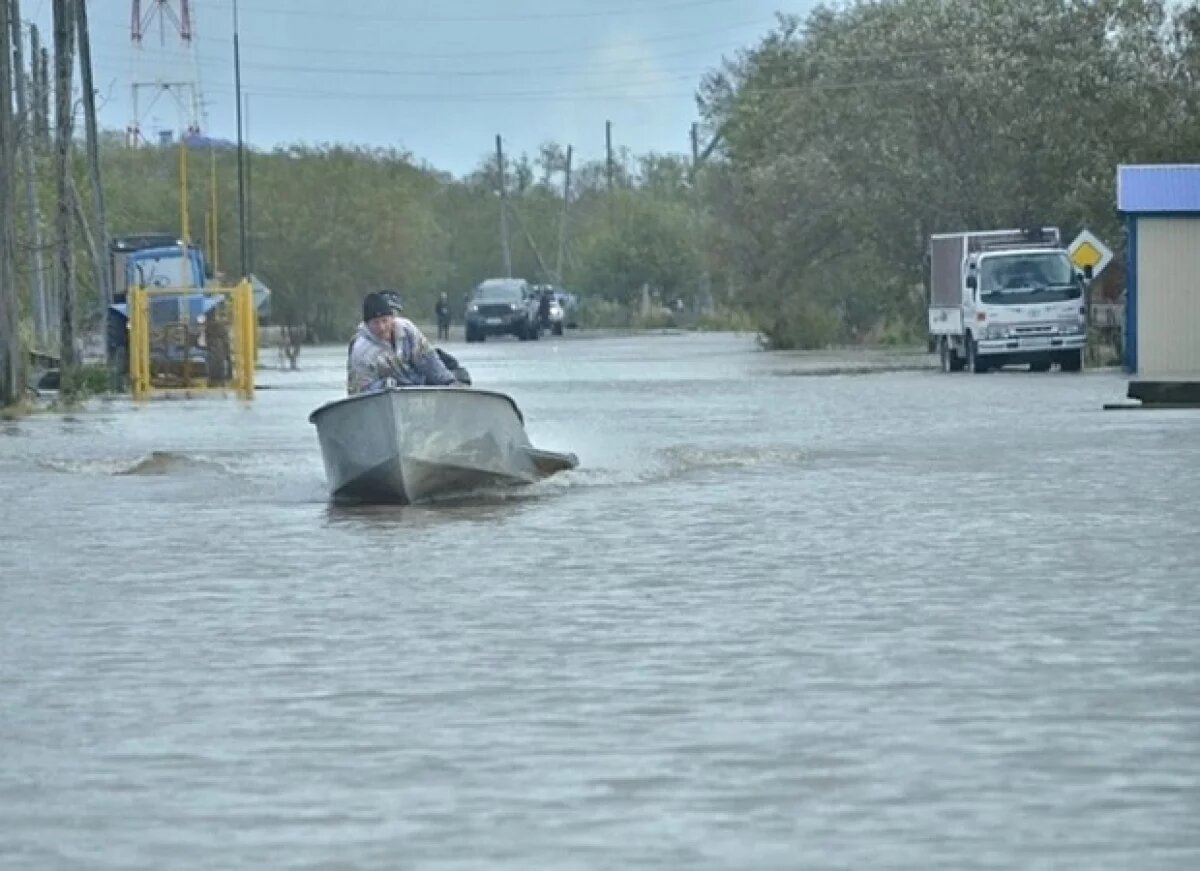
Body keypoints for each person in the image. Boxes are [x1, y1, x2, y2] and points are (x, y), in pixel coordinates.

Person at [347, 292, 459, 395]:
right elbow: (360, 391)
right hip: (382, 398)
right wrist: (383, 386)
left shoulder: (407, 329)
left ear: (392, 318)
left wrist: (449, 382)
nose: (382, 327)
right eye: (376, 323)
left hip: (417, 388)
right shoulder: (360, 351)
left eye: (385, 320)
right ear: (367, 324)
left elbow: (429, 360)